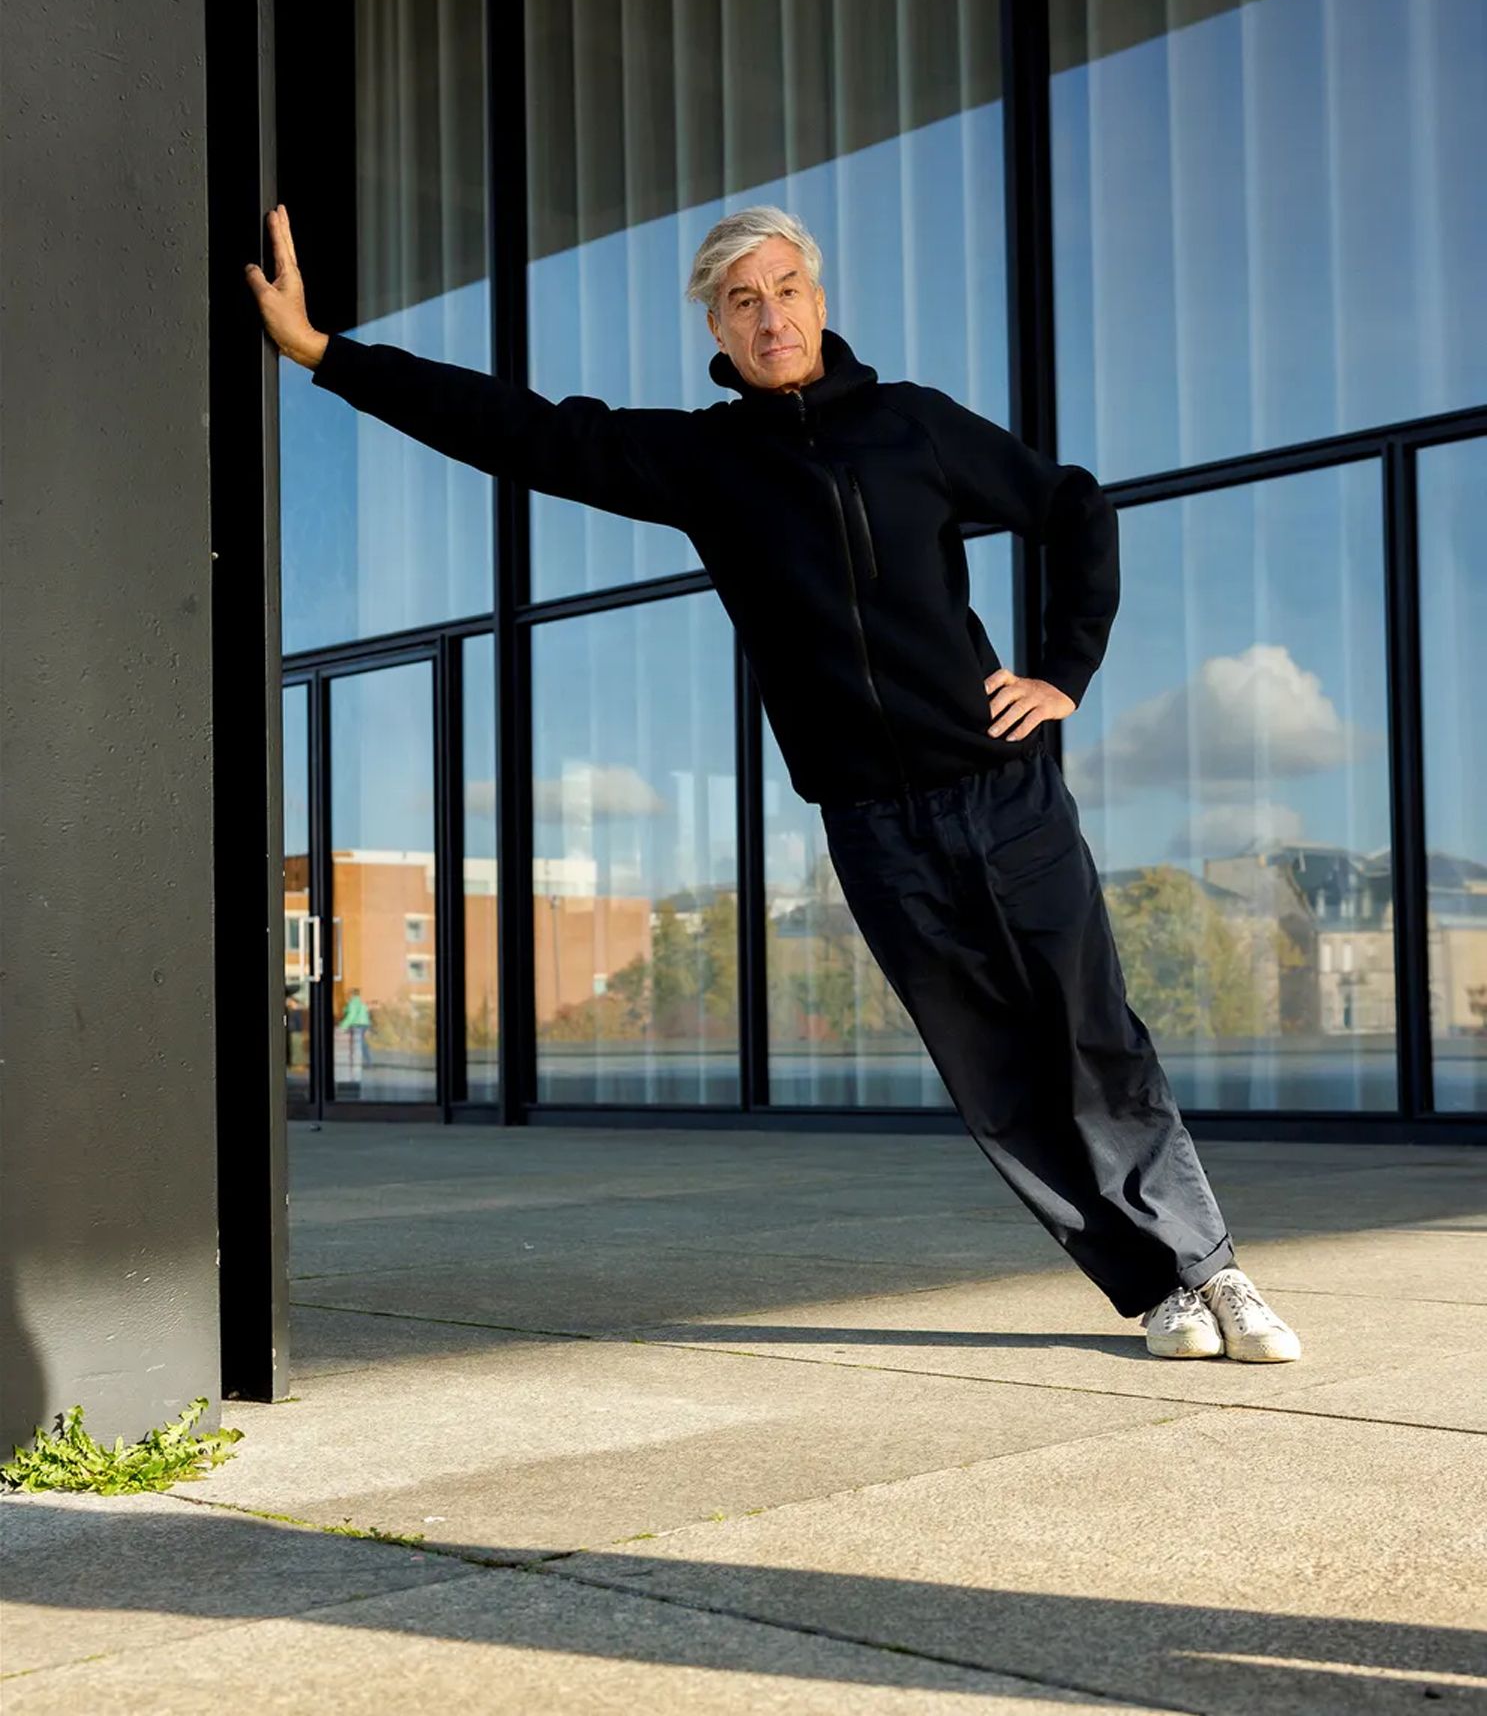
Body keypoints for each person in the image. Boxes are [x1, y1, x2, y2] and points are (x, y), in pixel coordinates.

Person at [246, 202, 1301, 1364]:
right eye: (742, 300)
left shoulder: (910, 426)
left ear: (819, 300)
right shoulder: (705, 461)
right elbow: (520, 430)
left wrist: (1061, 672)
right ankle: (1153, 1290)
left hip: (1003, 791)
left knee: (1090, 1029)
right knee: (991, 1074)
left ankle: (1213, 1266)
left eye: (785, 290)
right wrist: (324, 354)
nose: (770, 316)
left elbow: (1073, 507)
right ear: (715, 324)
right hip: (872, 824)